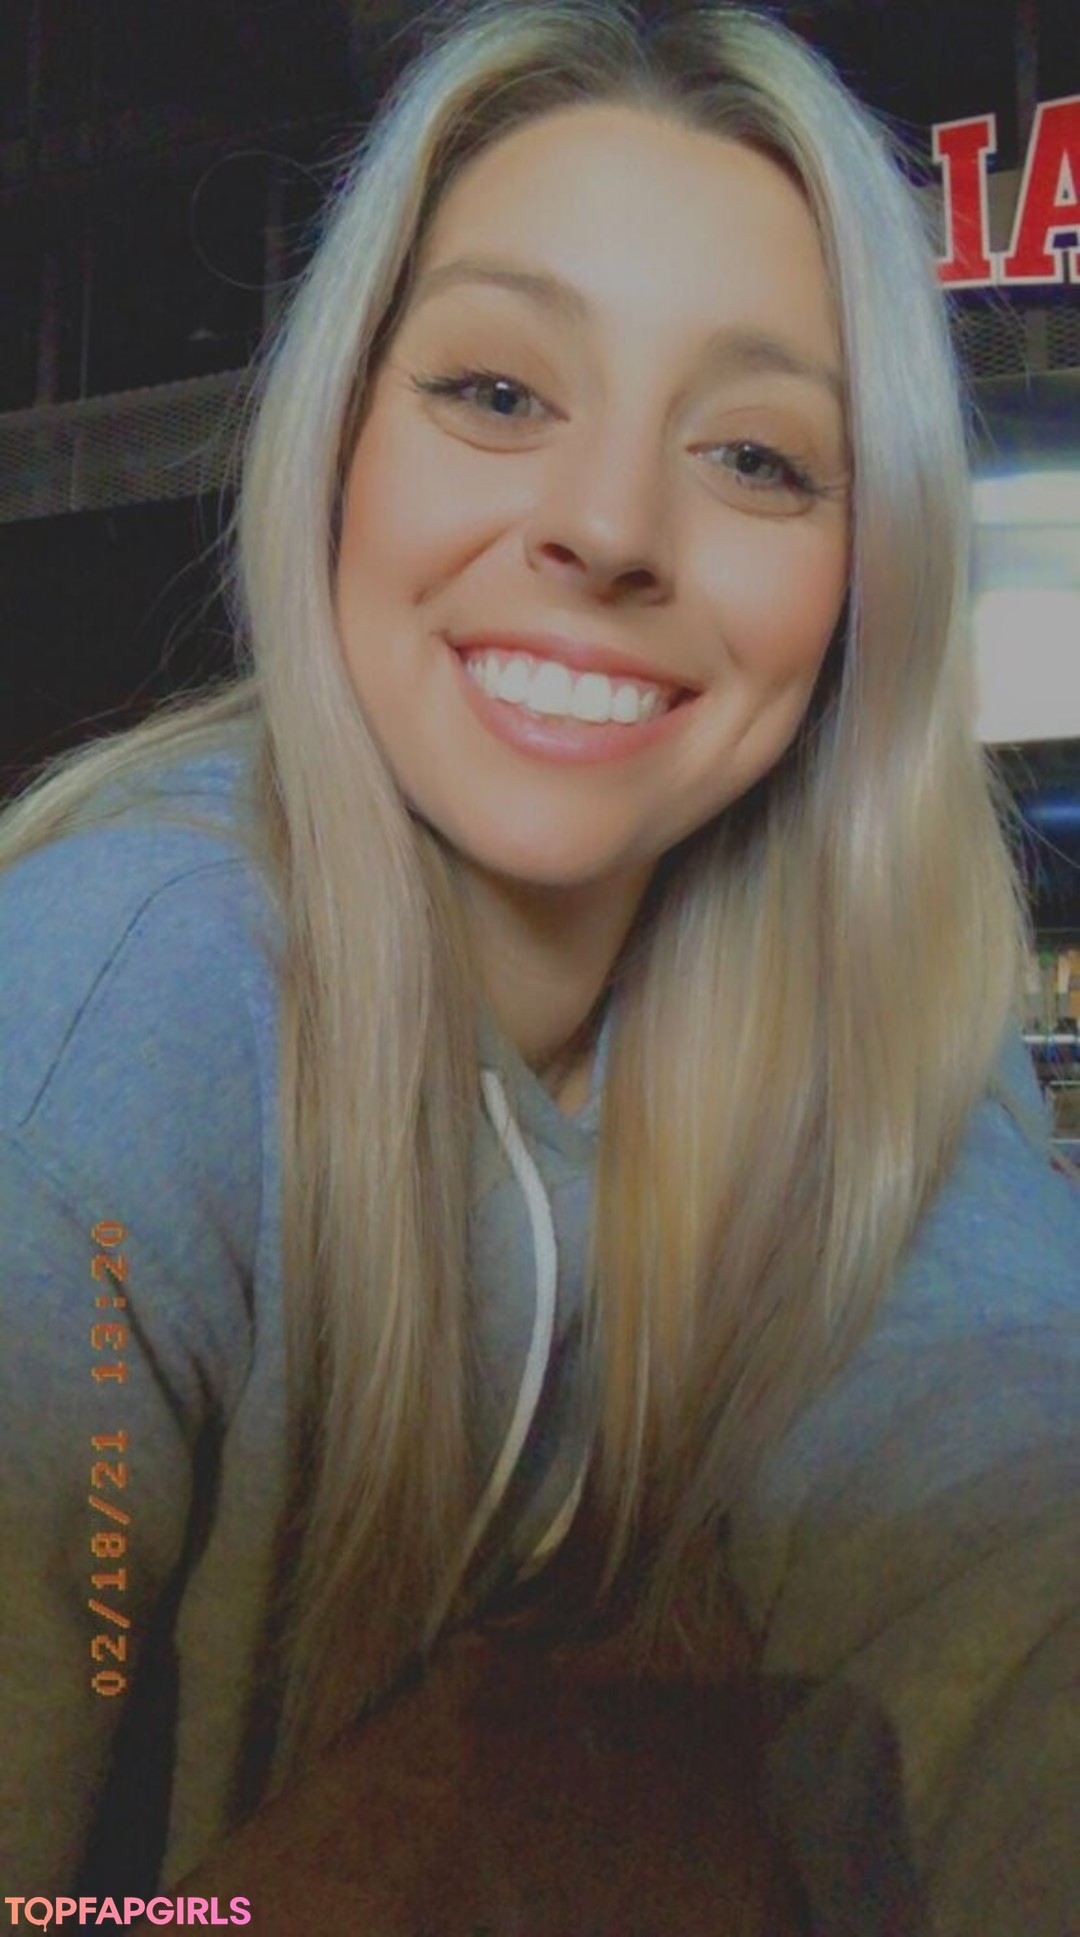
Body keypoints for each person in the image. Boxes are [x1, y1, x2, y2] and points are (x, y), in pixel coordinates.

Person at [1, 1, 1076, 1928]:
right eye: (498, 392)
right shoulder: (117, 1007)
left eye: (757, 455)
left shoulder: (887, 1039)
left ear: (865, 579)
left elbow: (1006, 1489)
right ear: (338, 442)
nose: (605, 526)